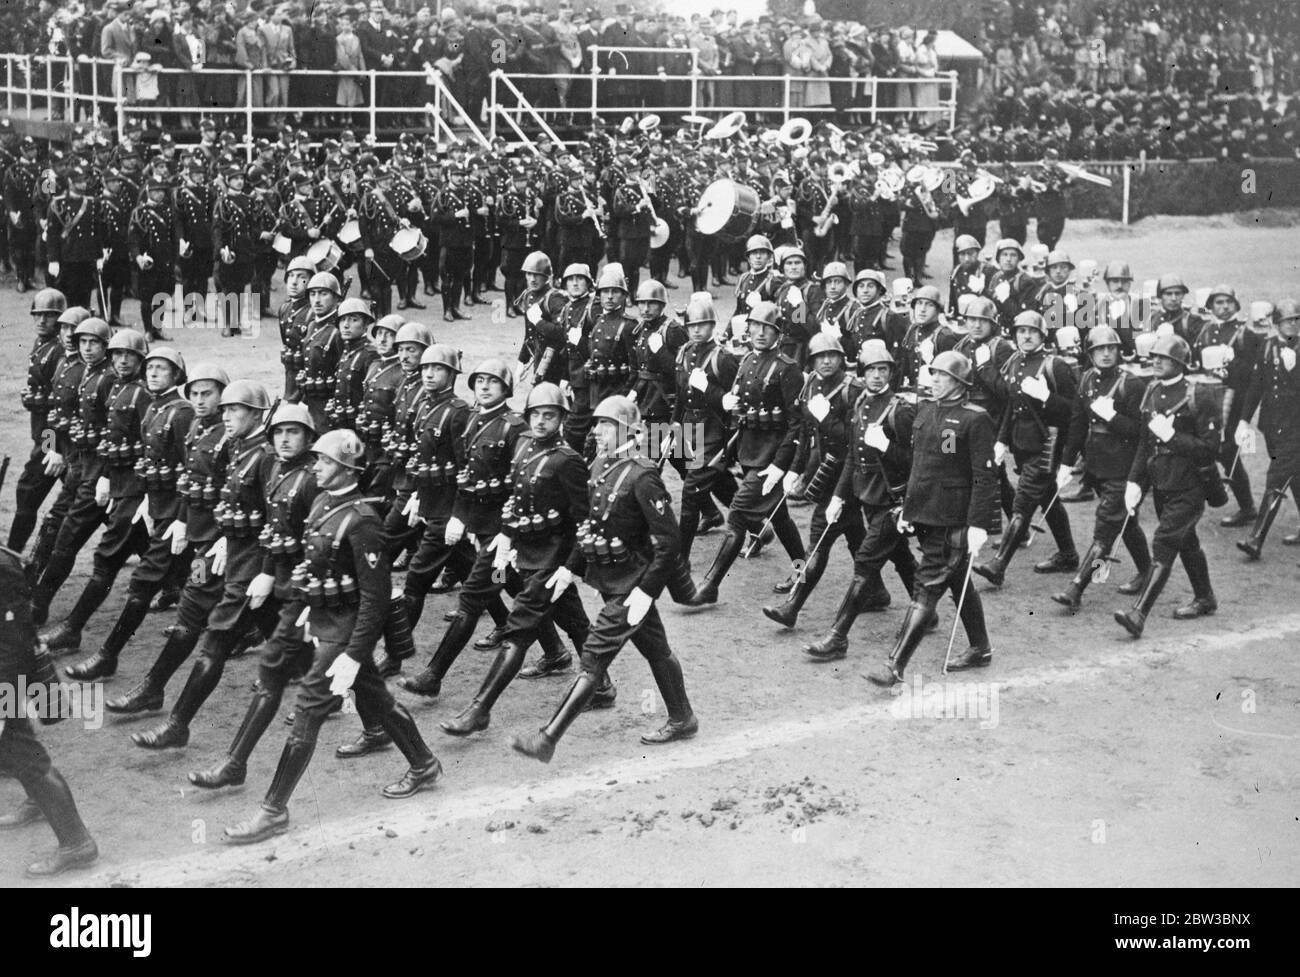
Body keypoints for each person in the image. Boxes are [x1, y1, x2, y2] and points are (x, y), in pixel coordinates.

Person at [223, 429, 442, 844]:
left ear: (344, 468)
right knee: (377, 698)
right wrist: (309, 606)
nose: (315, 466)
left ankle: (273, 811)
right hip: (326, 621)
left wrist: (354, 654)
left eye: (322, 461)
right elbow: (320, 566)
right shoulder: (324, 502)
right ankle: (424, 763)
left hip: (346, 635)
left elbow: (375, 600)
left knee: (307, 712)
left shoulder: (363, 523)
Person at [512, 394, 698, 763]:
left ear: (628, 430)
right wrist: (570, 568)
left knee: (593, 659)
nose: (597, 431)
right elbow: (591, 524)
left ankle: (548, 738)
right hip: (612, 579)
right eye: (596, 424)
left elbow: (669, 541)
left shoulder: (643, 475)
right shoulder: (599, 465)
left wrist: (646, 591)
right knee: (656, 650)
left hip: (631, 587)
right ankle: (683, 717)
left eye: (606, 425)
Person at [441, 381, 593, 731]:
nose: (541, 422)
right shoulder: (523, 445)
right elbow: (516, 497)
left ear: (561, 419)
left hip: (551, 558)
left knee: (518, 628)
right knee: (573, 620)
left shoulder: (568, 461)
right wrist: (507, 538)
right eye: (536, 414)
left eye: (550, 416)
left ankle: (480, 709)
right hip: (523, 552)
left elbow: (586, 521)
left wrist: (570, 569)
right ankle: (599, 683)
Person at [866, 351, 998, 685]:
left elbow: (984, 476)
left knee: (926, 588)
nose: (934, 379)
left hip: (954, 518)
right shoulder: (925, 411)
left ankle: (895, 665)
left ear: (960, 382)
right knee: (957, 580)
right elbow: (919, 468)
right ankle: (980, 647)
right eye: (933, 374)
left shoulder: (974, 419)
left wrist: (979, 525)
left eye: (942, 375)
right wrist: (909, 510)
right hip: (927, 514)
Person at [804, 339, 917, 659]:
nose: (877, 376)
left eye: (883, 370)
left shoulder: (901, 410)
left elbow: (914, 462)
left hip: (892, 501)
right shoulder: (860, 404)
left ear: (891, 373)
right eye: (871, 370)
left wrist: (886, 447)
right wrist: (839, 496)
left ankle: (838, 636)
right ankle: (928, 611)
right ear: (863, 372)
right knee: (901, 557)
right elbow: (852, 458)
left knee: (865, 563)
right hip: (867, 496)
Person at [686, 301, 805, 606]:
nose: (761, 333)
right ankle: (802, 570)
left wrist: (780, 467)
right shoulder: (748, 360)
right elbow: (741, 408)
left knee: (737, 515)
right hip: (750, 450)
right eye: (755, 326)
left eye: (769, 328)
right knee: (779, 516)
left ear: (778, 333)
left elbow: (796, 425)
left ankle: (710, 585)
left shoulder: (788, 368)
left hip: (770, 457)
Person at [0, 546, 98, 878]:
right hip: (6, 672)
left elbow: (12, 642)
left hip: (5, 674)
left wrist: (2, 704)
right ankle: (36, 802)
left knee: (23, 753)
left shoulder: (1, 566)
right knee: (15, 744)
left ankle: (77, 843)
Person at [1115, 335, 1221, 637]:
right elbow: (1144, 444)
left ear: (1180, 363)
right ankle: (1205, 597)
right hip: (1162, 483)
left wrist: (1172, 436)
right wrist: (1134, 482)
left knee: (1163, 542)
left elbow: (1211, 448)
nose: (1157, 361)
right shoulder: (1150, 390)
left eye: (1165, 358)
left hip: (1189, 485)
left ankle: (1138, 613)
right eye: (1155, 357)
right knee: (1186, 541)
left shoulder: (1199, 394)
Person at [763, 332, 865, 629]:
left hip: (849, 474)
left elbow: (853, 442)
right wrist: (794, 470)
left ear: (841, 358)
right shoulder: (810, 384)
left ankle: (792, 606)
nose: (826, 361)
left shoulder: (852, 390)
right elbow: (805, 433)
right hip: (823, 469)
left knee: (818, 540)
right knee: (859, 536)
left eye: (831, 355)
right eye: (820, 357)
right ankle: (880, 591)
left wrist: (827, 420)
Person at [975, 310, 1080, 585]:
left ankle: (999, 565)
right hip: (1022, 443)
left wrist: (1046, 396)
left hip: (1048, 443)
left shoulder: (1054, 365)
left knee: (1022, 503)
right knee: (1047, 498)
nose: (1027, 336)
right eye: (1021, 331)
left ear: (1043, 335)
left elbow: (1074, 412)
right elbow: (1011, 406)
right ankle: (1068, 554)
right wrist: (1001, 440)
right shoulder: (1013, 362)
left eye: (1032, 331)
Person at [1050, 326, 1151, 611]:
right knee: (1126, 524)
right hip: (1098, 468)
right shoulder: (1085, 381)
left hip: (1125, 470)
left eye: (1111, 348)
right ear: (1090, 353)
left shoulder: (1132, 384)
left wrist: (1113, 417)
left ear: (1119, 351)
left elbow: (1141, 433)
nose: (1105, 354)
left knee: (1104, 532)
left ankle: (1077, 587)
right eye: (1098, 350)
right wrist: (1067, 462)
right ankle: (1147, 570)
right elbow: (1077, 425)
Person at [1235, 300, 1300, 559]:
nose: (1293, 324)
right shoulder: (1267, 346)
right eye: (1288, 321)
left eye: (1297, 320)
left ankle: (1256, 539)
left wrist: (1294, 369)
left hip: (1297, 428)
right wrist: (1243, 420)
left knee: (1276, 478)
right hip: (1273, 427)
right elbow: (1256, 386)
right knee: (1295, 478)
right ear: (1277, 324)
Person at [10, 288, 67, 553]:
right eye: (38, 315)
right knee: (92, 503)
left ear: (60, 318)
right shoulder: (41, 344)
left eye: (49, 316)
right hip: (45, 432)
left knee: (28, 489)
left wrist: (52, 446)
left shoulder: (59, 351)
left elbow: (60, 402)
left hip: (51, 435)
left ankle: (12, 551)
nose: (42, 320)